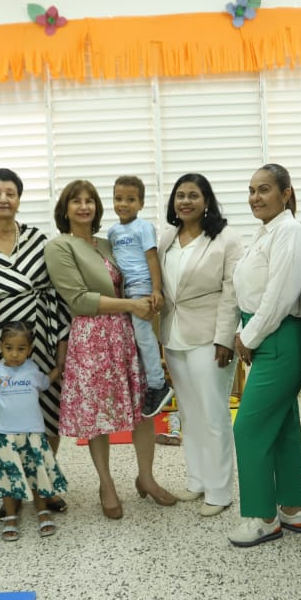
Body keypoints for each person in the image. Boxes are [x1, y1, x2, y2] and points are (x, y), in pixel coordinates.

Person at [43, 179, 176, 519]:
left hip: (127, 333)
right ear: (65, 208)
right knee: (99, 417)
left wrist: (148, 307)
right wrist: (131, 306)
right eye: (76, 201)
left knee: (142, 406)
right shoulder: (60, 246)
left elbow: (138, 274)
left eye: (90, 200)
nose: (84, 206)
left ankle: (146, 477)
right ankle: (106, 484)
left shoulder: (109, 242)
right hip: (91, 339)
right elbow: (78, 299)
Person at [0, 168, 69, 514]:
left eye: (10, 193)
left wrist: (61, 350)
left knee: (47, 415)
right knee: (1, 422)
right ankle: (12, 489)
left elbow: (56, 294)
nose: (3, 199)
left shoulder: (37, 240)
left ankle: (43, 485)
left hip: (39, 340)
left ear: (19, 199)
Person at [227, 164, 301, 547]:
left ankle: (263, 518)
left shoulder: (290, 233)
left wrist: (248, 335)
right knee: (280, 427)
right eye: (251, 190)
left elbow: (280, 296)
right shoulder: (266, 233)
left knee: (247, 428)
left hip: (278, 337)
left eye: (264, 189)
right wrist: (245, 331)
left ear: (286, 193)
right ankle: (292, 510)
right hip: (266, 335)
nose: (255, 197)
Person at [157, 173, 244, 516]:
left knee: (213, 415)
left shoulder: (226, 238)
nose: (186, 201)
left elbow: (232, 292)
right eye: (180, 195)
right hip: (174, 337)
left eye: (194, 195)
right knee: (188, 414)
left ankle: (220, 491)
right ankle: (197, 480)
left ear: (207, 200)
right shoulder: (167, 238)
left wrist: (225, 337)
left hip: (210, 339)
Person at [0, 321, 68, 541]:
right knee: (8, 478)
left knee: (37, 475)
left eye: (21, 349)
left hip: (33, 435)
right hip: (5, 436)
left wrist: (59, 368)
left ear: (30, 349)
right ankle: (10, 516)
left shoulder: (33, 369)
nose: (14, 354)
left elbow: (45, 383)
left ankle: (42, 510)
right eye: (9, 348)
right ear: (0, 346)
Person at [109, 176, 173, 417]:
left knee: (145, 337)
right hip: (125, 292)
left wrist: (156, 290)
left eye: (130, 199)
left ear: (141, 203)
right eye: (118, 198)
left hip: (142, 286)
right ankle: (145, 383)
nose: (123, 204)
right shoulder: (113, 231)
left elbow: (151, 258)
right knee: (133, 340)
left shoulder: (144, 227)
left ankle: (158, 385)